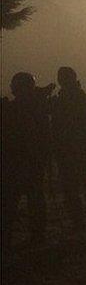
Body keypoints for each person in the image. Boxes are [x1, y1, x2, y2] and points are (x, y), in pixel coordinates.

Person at [49, 66, 86, 229]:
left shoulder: (76, 100)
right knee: (80, 186)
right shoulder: (83, 99)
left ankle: (84, 218)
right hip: (74, 150)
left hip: (75, 150)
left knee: (78, 186)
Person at [1, 73, 52, 243]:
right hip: (22, 159)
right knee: (23, 198)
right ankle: (33, 233)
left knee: (19, 198)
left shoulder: (27, 108)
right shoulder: (34, 107)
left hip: (25, 159)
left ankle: (31, 234)